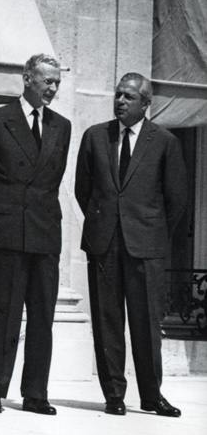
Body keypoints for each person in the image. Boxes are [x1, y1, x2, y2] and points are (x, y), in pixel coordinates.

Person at [75, 72, 189, 417]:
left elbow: (177, 200)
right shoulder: (95, 137)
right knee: (107, 322)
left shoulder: (165, 142)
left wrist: (150, 232)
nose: (120, 102)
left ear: (146, 103)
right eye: (118, 95)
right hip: (104, 245)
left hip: (146, 247)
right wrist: (106, 222)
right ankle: (114, 395)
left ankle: (152, 396)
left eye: (128, 97)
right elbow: (84, 190)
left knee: (146, 325)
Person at [0, 54, 71, 415]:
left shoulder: (61, 126)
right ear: (27, 78)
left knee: (43, 317)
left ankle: (35, 393)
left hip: (45, 233)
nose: (53, 88)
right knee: (2, 313)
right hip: (7, 231)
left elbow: (53, 180)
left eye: (57, 82)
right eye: (47, 81)